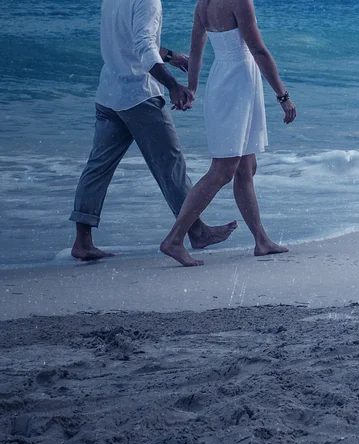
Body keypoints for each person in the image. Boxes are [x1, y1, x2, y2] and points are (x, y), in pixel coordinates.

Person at [70, 0, 238, 262]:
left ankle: (82, 241)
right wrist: (172, 85)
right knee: (171, 166)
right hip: (139, 95)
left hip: (109, 92)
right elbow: (143, 46)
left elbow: (129, 40)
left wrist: (170, 56)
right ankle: (196, 231)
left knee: (97, 166)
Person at [159, 0, 297, 267]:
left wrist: (193, 88)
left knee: (246, 167)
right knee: (223, 170)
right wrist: (283, 96)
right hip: (238, 85)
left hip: (225, 82)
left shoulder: (203, 4)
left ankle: (261, 240)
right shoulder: (239, 2)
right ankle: (174, 239)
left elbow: (196, 51)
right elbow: (258, 50)